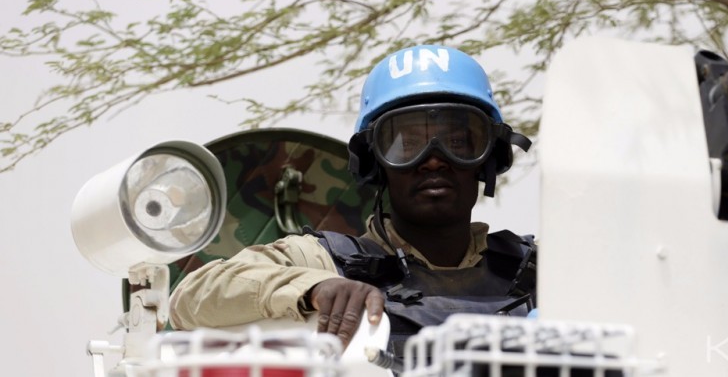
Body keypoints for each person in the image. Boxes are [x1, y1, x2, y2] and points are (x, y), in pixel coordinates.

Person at [169, 44, 535, 357]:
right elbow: (191, 296)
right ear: (375, 163)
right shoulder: (328, 262)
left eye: (457, 143)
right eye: (406, 145)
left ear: (489, 157)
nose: (434, 160)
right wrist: (312, 288)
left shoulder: (537, 269)